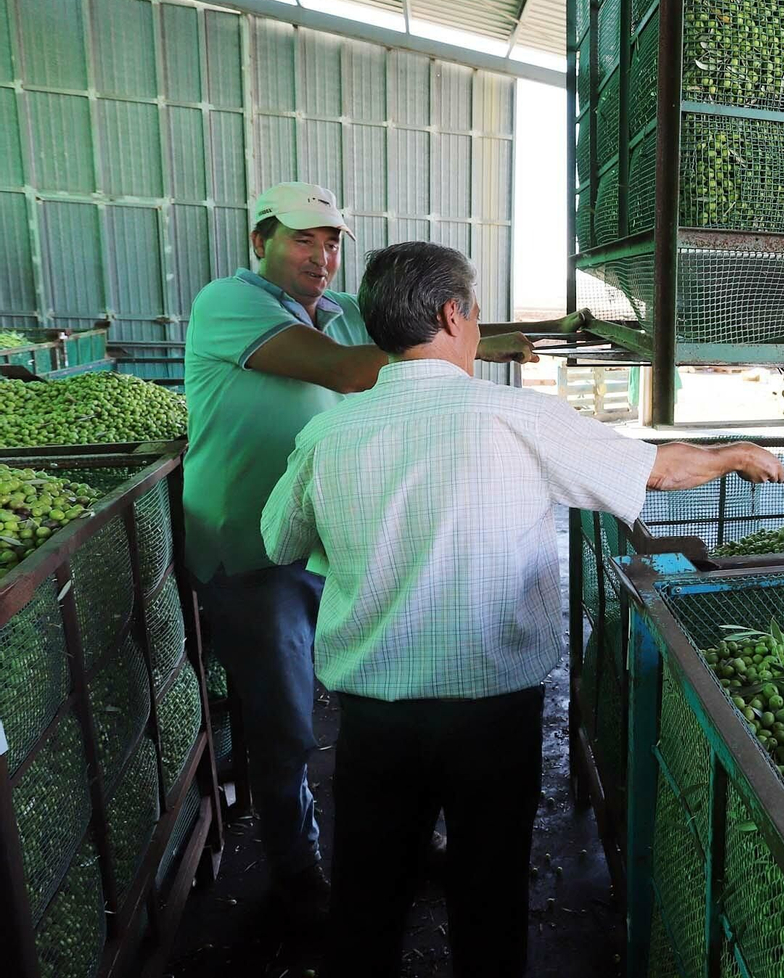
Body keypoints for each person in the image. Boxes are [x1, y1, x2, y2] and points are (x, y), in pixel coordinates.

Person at [259, 240, 784, 977]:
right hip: (492, 718)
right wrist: (735, 453)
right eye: (475, 313)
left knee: (368, 906)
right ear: (453, 315)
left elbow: (279, 539)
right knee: (490, 903)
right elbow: (659, 471)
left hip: (375, 721)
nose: (477, 327)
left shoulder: (329, 433)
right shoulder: (518, 417)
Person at [182, 183, 533, 927]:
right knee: (285, 723)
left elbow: (413, 335)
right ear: (260, 242)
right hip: (253, 548)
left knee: (382, 693)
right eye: (302, 239)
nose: (322, 257)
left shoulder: (342, 312)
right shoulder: (228, 303)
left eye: (332, 241)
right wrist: (462, 345)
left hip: (330, 539)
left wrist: (496, 334)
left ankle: (408, 841)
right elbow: (353, 370)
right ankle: (297, 870)